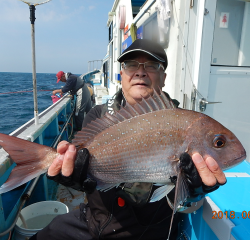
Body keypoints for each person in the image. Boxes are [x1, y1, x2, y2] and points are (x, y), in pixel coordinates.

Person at [30, 39, 226, 240]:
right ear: (121, 75)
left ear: (164, 77)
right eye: (131, 65)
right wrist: (74, 177)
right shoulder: (98, 115)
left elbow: (185, 206)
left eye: (151, 65)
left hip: (149, 231)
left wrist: (195, 192)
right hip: (93, 221)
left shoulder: (182, 122)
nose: (140, 72)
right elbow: (90, 180)